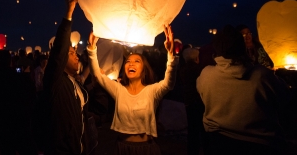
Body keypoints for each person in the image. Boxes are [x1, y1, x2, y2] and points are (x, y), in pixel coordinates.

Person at [197, 25, 290, 155]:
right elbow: (284, 98)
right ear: (242, 47)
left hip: (217, 142)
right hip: (260, 145)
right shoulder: (262, 76)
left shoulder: (206, 75)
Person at [86, 25, 178, 155]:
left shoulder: (152, 91)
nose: (131, 63)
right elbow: (97, 74)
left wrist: (170, 54)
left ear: (144, 70)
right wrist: (92, 49)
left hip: (146, 149)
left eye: (137, 61)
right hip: (122, 148)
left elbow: (169, 83)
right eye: (128, 61)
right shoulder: (119, 90)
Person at [42, 0, 94, 155]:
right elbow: (58, 51)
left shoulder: (75, 83)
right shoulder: (55, 81)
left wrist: (93, 50)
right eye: (71, 53)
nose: (76, 55)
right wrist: (69, 14)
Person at [179, 48, 207, 155]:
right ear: (196, 57)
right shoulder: (200, 70)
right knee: (203, 130)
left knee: (192, 130)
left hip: (188, 101)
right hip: (200, 101)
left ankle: (192, 151)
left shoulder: (182, 70)